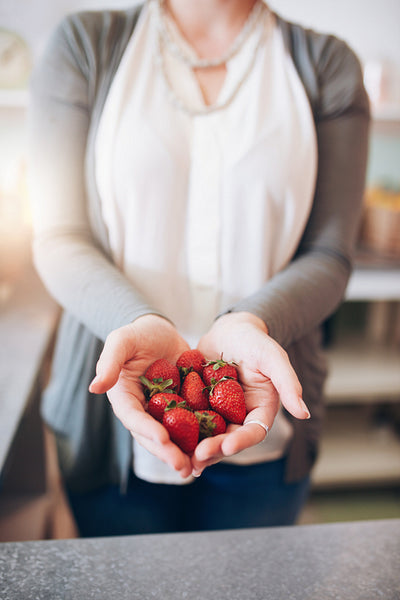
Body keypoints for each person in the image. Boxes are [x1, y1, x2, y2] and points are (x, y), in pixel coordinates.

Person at [28, 0, 370, 537]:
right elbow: (57, 234)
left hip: (268, 415)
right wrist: (133, 319)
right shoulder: (85, 45)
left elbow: (329, 253)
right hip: (108, 420)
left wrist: (252, 322)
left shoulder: (327, 64)